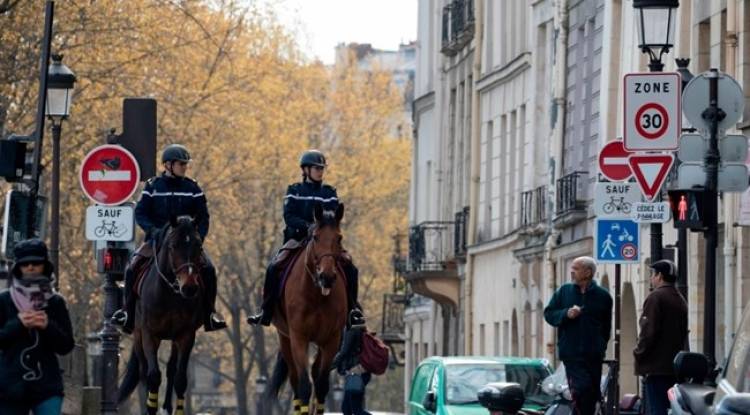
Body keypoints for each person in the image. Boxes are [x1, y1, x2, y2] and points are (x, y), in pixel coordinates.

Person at [111, 144, 226, 333]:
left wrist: (198, 238)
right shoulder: (152, 186)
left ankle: (209, 315)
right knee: (132, 267)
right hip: (156, 240)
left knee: (209, 269)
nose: (184, 167)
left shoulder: (193, 188)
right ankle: (127, 313)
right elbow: (140, 213)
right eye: (181, 164)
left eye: (185, 164)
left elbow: (203, 217)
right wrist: (153, 230)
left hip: (186, 245)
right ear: (168, 165)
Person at [247, 149, 362, 326]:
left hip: (325, 242)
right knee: (273, 267)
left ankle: (353, 311)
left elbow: (334, 218)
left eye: (322, 168)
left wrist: (323, 231)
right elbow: (289, 216)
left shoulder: (330, 193)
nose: (320, 172)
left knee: (351, 268)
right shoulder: (294, 190)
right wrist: (308, 227)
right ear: (306, 170)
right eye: (317, 168)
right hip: (297, 239)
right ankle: (266, 311)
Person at [0, 239, 74, 415]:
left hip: (47, 385)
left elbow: (66, 346)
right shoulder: (4, 300)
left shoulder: (55, 302)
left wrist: (47, 326)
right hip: (10, 386)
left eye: (36, 263)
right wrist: (18, 324)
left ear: (45, 266)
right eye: (25, 264)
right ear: (17, 268)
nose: (31, 267)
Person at [544, 256, 613, 415]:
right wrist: (566, 314)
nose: (571, 272)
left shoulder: (603, 296)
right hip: (572, 354)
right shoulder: (564, 291)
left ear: (588, 272)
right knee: (581, 389)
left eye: (575, 269)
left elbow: (606, 327)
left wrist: (600, 346)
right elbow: (549, 314)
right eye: (571, 268)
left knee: (592, 395)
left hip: (593, 355)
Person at [633, 259, 688, 415]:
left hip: (656, 367)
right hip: (673, 366)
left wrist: (638, 353)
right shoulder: (679, 298)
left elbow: (648, 332)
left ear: (660, 276)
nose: (651, 278)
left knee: (656, 409)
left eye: (653, 274)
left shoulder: (655, 297)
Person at [333, 312, 371, 415]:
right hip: (362, 373)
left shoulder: (352, 331)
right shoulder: (364, 332)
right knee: (347, 408)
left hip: (355, 374)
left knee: (355, 409)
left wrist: (329, 366)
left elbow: (344, 352)